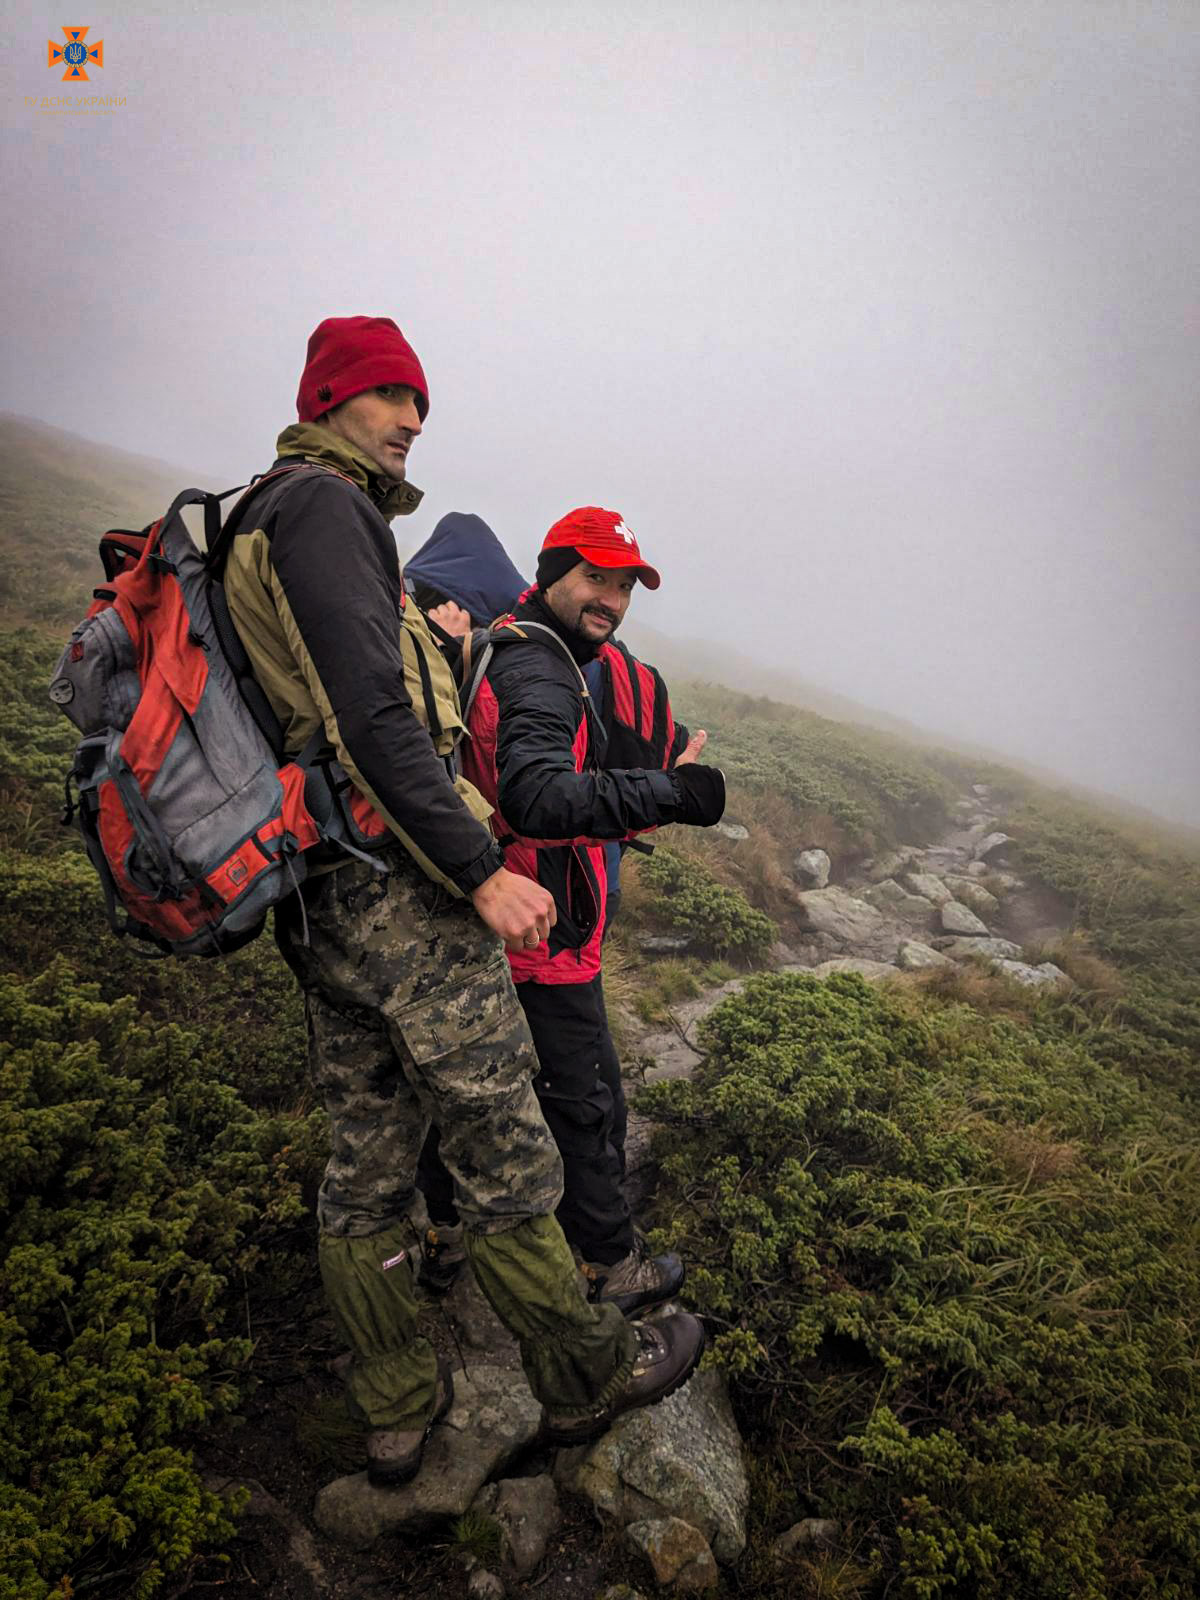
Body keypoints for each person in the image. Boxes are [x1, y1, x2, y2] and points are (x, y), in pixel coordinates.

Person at [220, 315, 706, 1482]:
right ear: (329, 400)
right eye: (389, 398)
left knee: (369, 1161)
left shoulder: (255, 517)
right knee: (502, 1148)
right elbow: (373, 721)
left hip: (320, 893)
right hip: (400, 892)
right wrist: (482, 870)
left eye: (420, 405)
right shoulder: (324, 505)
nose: (409, 422)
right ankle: (591, 1374)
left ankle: (396, 1407)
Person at [415, 506, 726, 1314]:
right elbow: (537, 795)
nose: (612, 601)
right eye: (595, 578)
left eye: (624, 586)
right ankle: (607, 1266)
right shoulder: (541, 669)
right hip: (540, 928)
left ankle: (444, 1235)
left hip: (492, 914)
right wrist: (676, 793)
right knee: (586, 1099)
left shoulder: (520, 644)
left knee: (460, 1090)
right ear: (551, 573)